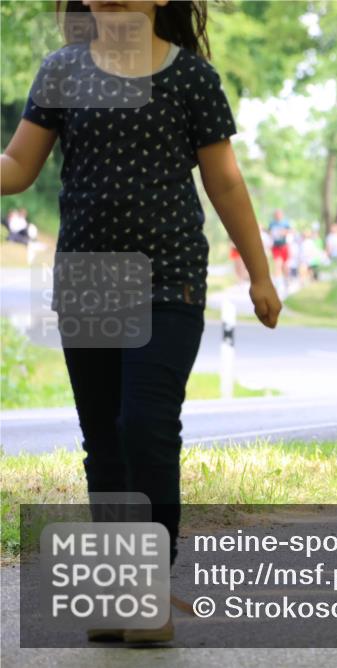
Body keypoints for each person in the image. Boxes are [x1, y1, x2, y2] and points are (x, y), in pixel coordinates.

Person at [0, 0, 281, 642]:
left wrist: (260, 273)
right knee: (103, 438)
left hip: (168, 279)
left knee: (146, 427)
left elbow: (225, 183)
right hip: (88, 282)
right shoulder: (62, 70)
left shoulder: (191, 78)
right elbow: (18, 166)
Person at [268, 208, 291, 284]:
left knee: (285, 265)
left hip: (284, 246)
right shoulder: (272, 224)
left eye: (279, 214)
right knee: (277, 264)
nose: (277, 216)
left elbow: (290, 231)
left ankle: (286, 280)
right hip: (276, 246)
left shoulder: (285, 223)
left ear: (282, 215)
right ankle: (278, 283)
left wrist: (284, 232)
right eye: (276, 214)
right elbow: (269, 233)